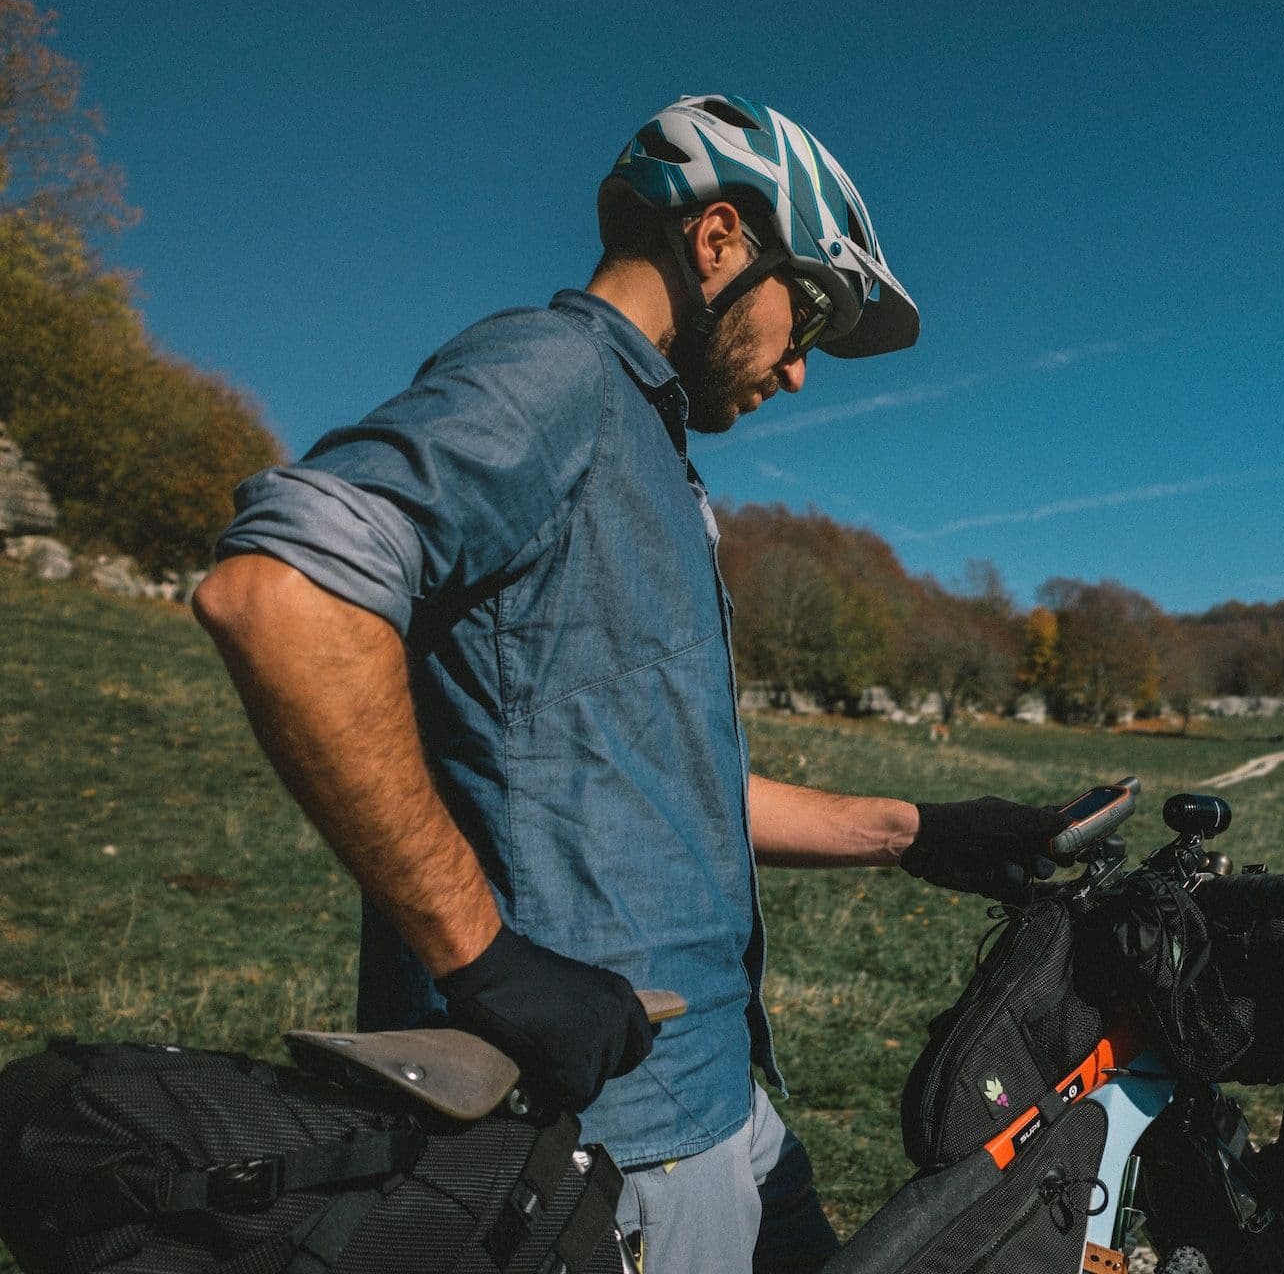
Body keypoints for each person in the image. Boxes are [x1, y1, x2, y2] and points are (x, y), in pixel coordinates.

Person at [192, 94, 1069, 1274]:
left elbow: (651, 768)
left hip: (711, 1093)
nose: (802, 368)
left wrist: (917, 830)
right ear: (717, 242)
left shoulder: (651, 451)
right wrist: (481, 957)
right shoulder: (557, 371)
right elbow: (281, 593)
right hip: (596, 1139)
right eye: (805, 310)